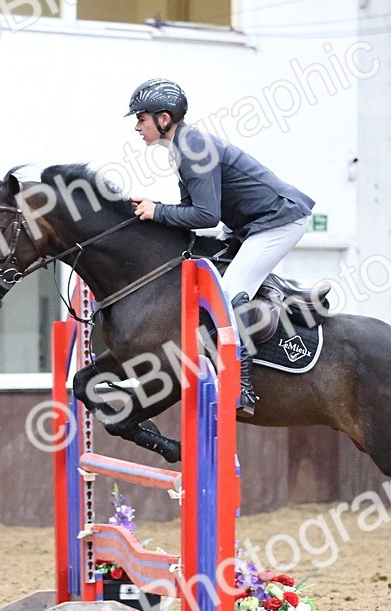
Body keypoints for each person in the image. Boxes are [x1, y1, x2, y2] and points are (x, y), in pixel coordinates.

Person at [126, 78, 314, 417]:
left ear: (163, 119)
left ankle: (241, 382)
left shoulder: (192, 147)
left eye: (141, 118)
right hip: (250, 223)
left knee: (224, 296)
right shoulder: (183, 146)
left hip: (278, 221)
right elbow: (191, 210)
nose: (137, 126)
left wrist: (158, 210)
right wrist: (155, 211)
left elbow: (206, 215)